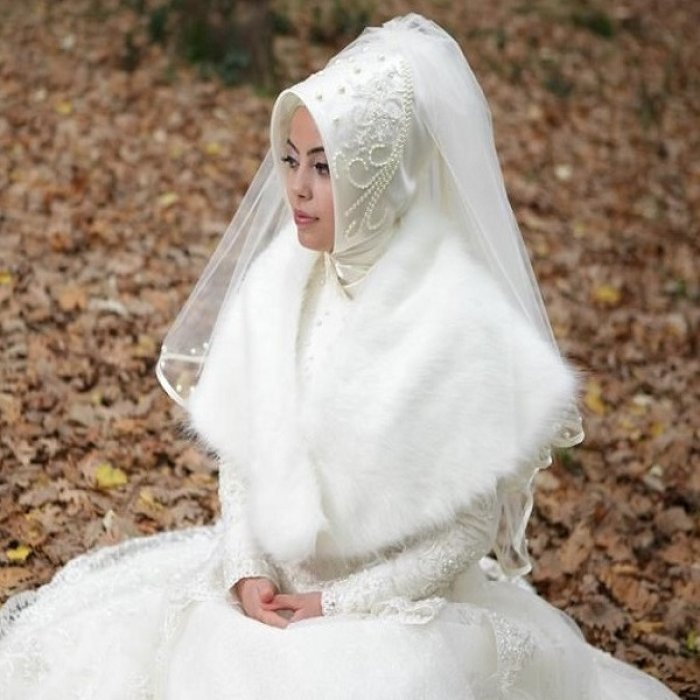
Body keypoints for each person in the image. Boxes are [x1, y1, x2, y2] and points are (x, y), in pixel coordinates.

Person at [0, 14, 680, 700]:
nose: (297, 188)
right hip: (270, 587)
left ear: (380, 179)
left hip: (387, 613)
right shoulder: (284, 281)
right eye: (291, 160)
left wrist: (338, 605)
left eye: (324, 168)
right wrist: (245, 568)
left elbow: (468, 530)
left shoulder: (455, 321)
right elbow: (244, 454)